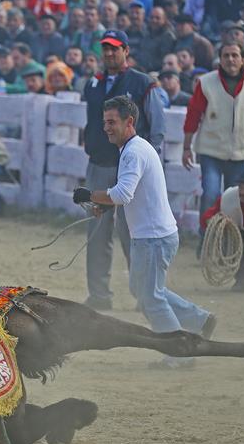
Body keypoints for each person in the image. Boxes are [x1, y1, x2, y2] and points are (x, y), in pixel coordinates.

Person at [73, 96, 215, 369]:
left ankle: (179, 353)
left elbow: (123, 193)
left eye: (112, 122)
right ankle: (199, 320)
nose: (106, 127)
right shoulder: (134, 148)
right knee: (145, 290)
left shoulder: (134, 151)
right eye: (105, 122)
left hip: (152, 237)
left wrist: (90, 194)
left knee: (150, 296)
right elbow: (129, 193)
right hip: (154, 235)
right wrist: (102, 203)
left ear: (130, 122)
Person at [81, 29, 166, 310]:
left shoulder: (143, 83)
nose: (109, 53)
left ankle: (145, 296)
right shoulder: (94, 84)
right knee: (97, 232)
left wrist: (148, 161)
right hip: (99, 163)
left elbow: (157, 127)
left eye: (114, 48)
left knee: (135, 234)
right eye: (105, 48)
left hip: (130, 166)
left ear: (126, 51)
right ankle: (99, 295)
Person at [183, 42, 244, 250]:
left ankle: (230, 244)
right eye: (226, 56)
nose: (231, 60)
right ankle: (206, 241)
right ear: (220, 59)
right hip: (210, 151)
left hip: (240, 153)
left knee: (235, 200)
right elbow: (193, 115)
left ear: (243, 59)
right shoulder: (206, 82)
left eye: (235, 55)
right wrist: (186, 147)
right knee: (211, 194)